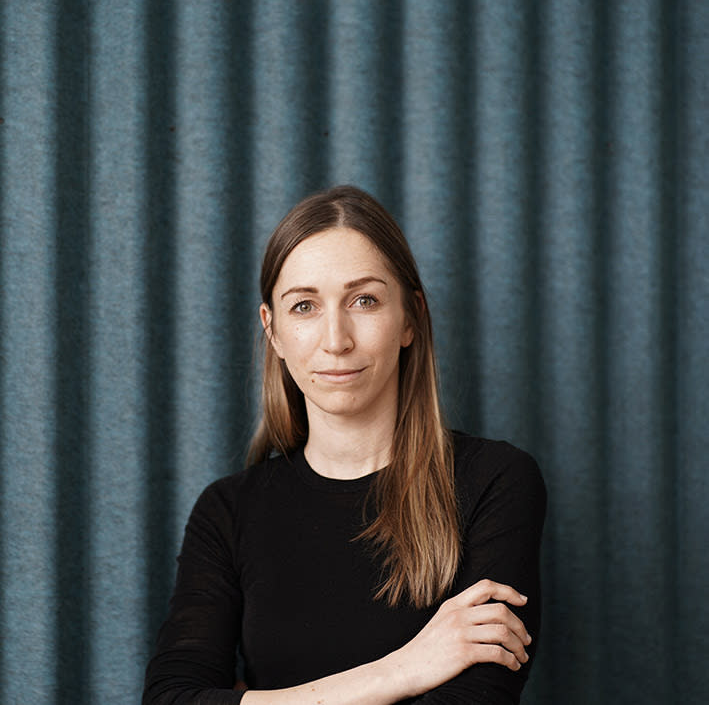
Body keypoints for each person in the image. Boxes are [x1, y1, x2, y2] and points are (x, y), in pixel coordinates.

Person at [143, 185, 546, 705]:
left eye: (364, 300)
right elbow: (171, 699)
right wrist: (408, 667)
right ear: (274, 332)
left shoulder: (494, 482)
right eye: (305, 306)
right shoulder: (228, 511)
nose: (336, 339)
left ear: (409, 319)